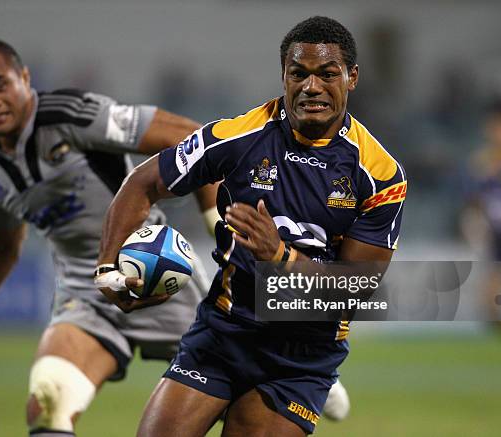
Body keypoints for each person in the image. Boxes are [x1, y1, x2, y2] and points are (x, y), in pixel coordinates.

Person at [95, 16, 406, 436]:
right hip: (224, 332)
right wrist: (106, 269)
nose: (311, 87)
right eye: (299, 74)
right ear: (284, 76)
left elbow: (357, 290)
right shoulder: (238, 135)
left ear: (351, 77)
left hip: (302, 356)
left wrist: (281, 257)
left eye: (327, 74)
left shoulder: (380, 174)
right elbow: (143, 182)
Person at [0, 39, 220, 437]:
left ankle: (323, 390)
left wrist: (219, 226)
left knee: (247, 389)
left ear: (25, 79)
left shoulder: (74, 115)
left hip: (154, 273)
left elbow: (191, 138)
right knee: (47, 405)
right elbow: (1, 244)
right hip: (84, 294)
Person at [460, 99, 501, 327]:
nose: (495, 133)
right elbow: (474, 201)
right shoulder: (481, 163)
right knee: (490, 296)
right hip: (498, 234)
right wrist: (474, 224)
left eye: (499, 127)